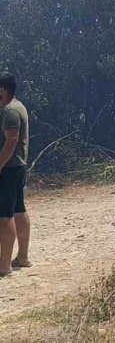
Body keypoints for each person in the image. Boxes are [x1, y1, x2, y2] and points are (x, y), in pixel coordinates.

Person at [0, 73, 31, 276]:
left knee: (4, 216)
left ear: (3, 90)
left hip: (9, 168)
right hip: (18, 166)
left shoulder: (10, 110)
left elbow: (11, 141)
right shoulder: (18, 105)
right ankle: (22, 257)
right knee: (19, 210)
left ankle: (4, 267)